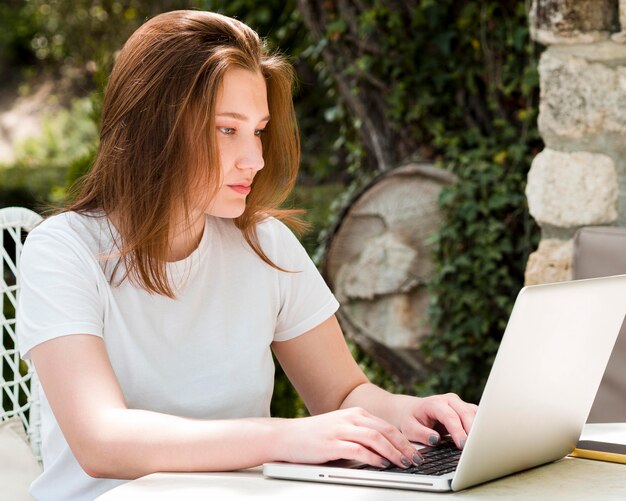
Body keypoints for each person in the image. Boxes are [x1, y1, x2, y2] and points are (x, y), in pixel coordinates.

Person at [16, 10, 477, 501]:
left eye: (257, 130)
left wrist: (411, 414)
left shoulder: (265, 243)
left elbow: (341, 394)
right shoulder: (62, 251)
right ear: (154, 129)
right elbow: (102, 441)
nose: (254, 160)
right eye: (226, 130)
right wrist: (285, 438)